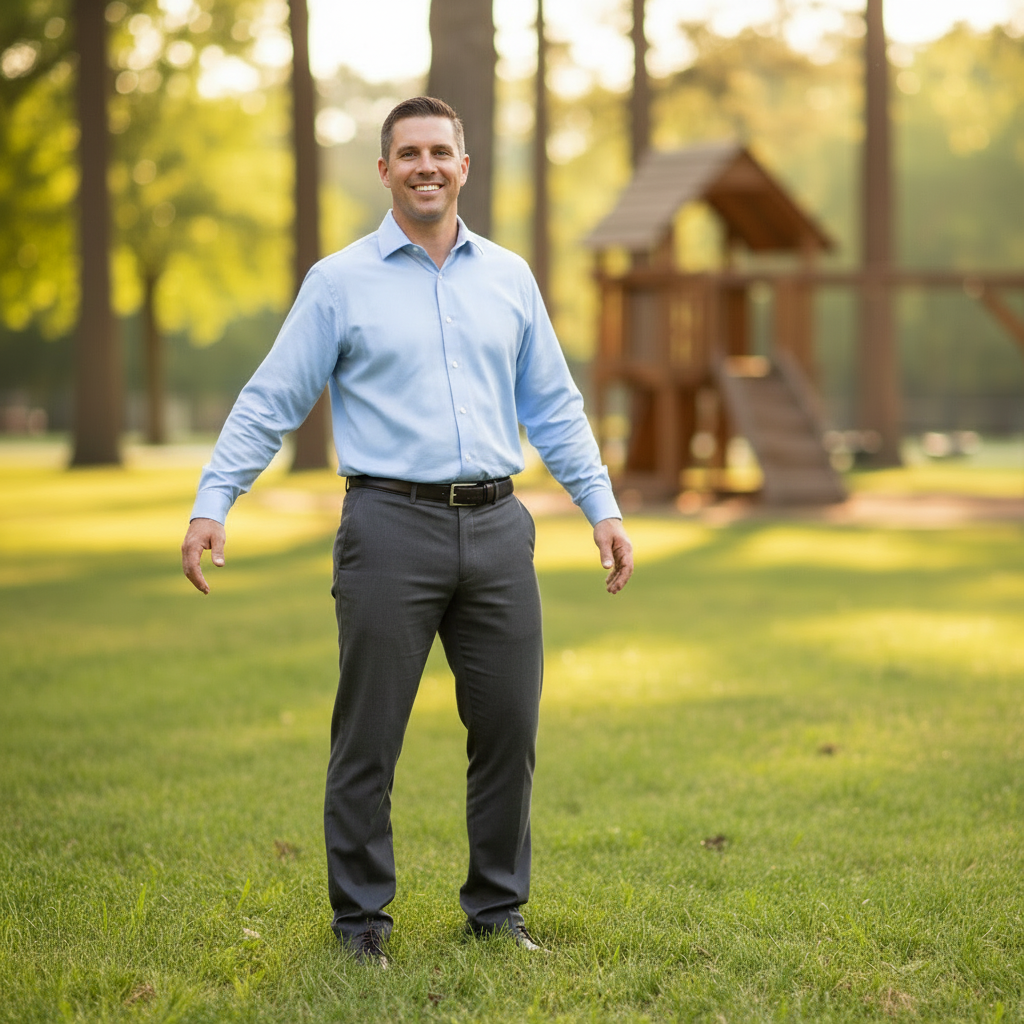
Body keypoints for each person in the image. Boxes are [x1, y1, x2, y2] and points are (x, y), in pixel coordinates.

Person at [181, 96, 633, 967]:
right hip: (388, 527)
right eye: (409, 153)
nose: (426, 165)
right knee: (369, 736)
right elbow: (269, 401)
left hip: (502, 528)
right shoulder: (339, 282)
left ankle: (497, 913)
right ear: (385, 170)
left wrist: (602, 507)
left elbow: (556, 408)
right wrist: (213, 501)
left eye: (441, 152)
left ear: (464, 167)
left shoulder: (508, 277)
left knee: (508, 728)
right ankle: (361, 927)